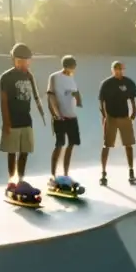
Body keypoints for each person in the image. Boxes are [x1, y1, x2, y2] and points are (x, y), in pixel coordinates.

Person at [0, 42, 45, 195]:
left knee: (24, 151)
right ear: (14, 60)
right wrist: (6, 122)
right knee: (12, 152)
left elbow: (35, 96)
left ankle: (21, 180)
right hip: (12, 120)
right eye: (19, 61)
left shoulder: (28, 75)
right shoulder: (6, 77)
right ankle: (11, 181)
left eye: (25, 61)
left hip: (26, 120)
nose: (23, 64)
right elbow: (3, 101)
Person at [98, 60, 136, 186]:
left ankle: (131, 172)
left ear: (123, 69)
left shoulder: (128, 82)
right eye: (116, 68)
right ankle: (103, 174)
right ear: (112, 69)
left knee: (129, 144)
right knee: (107, 145)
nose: (118, 71)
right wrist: (104, 116)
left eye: (121, 68)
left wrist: (134, 111)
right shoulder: (106, 83)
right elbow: (101, 101)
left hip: (124, 116)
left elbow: (132, 98)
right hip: (111, 117)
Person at [47, 55, 83, 186]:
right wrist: (56, 113)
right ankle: (53, 174)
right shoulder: (54, 77)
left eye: (73, 68)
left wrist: (79, 99)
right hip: (60, 117)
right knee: (59, 144)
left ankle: (66, 173)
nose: (71, 70)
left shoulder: (72, 78)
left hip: (72, 116)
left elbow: (75, 92)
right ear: (65, 66)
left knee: (72, 144)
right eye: (70, 68)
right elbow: (50, 96)